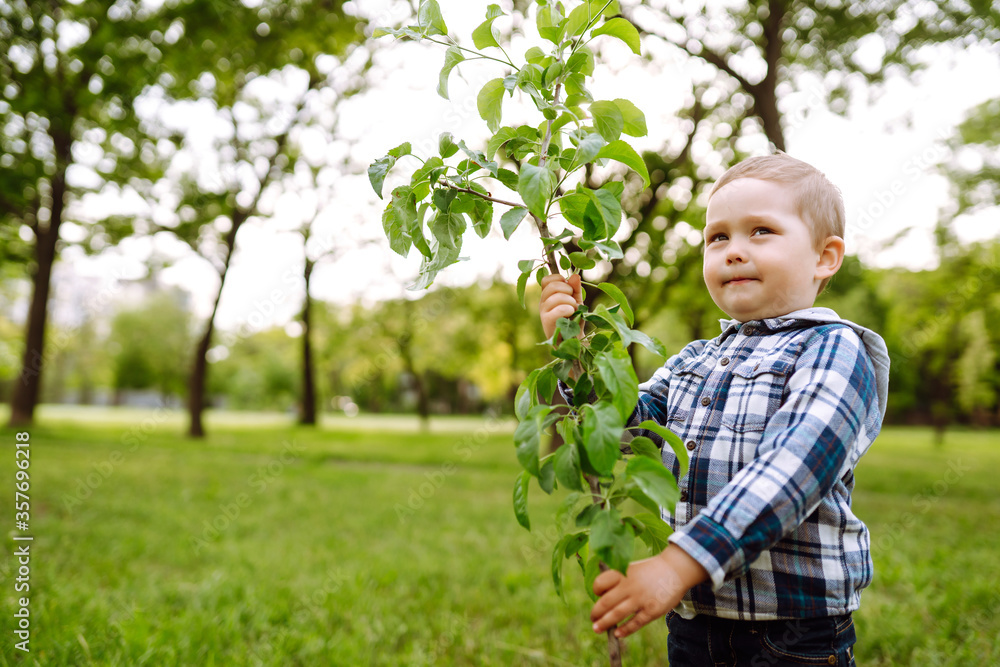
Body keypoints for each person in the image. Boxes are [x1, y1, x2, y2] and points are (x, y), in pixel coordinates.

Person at [538, 153, 890, 667]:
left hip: (792, 634)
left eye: (761, 231)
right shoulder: (694, 360)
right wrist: (574, 354)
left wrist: (678, 565)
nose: (733, 251)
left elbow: (792, 470)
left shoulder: (833, 349)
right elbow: (623, 431)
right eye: (717, 237)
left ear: (824, 257)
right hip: (693, 623)